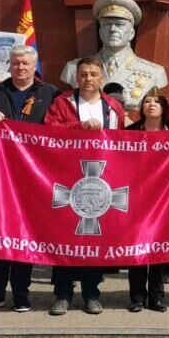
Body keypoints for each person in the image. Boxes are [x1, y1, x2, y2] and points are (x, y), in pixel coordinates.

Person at [0, 45, 60, 313]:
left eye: (26, 64)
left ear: (35, 67)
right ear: (9, 65)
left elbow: (60, 131)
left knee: (25, 235)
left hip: (34, 178)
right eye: (16, 63)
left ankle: (21, 293)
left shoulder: (50, 94)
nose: (20, 67)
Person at [45, 56, 121, 315]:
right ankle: (62, 294)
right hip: (68, 180)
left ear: (102, 78)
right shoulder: (62, 102)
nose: (89, 79)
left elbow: (124, 142)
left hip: (101, 179)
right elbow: (49, 131)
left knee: (94, 238)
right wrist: (79, 127)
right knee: (65, 236)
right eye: (84, 74)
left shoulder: (112, 107)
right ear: (76, 77)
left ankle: (92, 293)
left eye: (93, 74)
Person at [125, 91, 169, 312]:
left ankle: (156, 296)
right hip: (136, 199)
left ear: (164, 107)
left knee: (158, 248)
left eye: (156, 101)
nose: (151, 105)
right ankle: (137, 296)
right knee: (136, 248)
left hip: (164, 200)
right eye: (147, 101)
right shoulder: (129, 133)